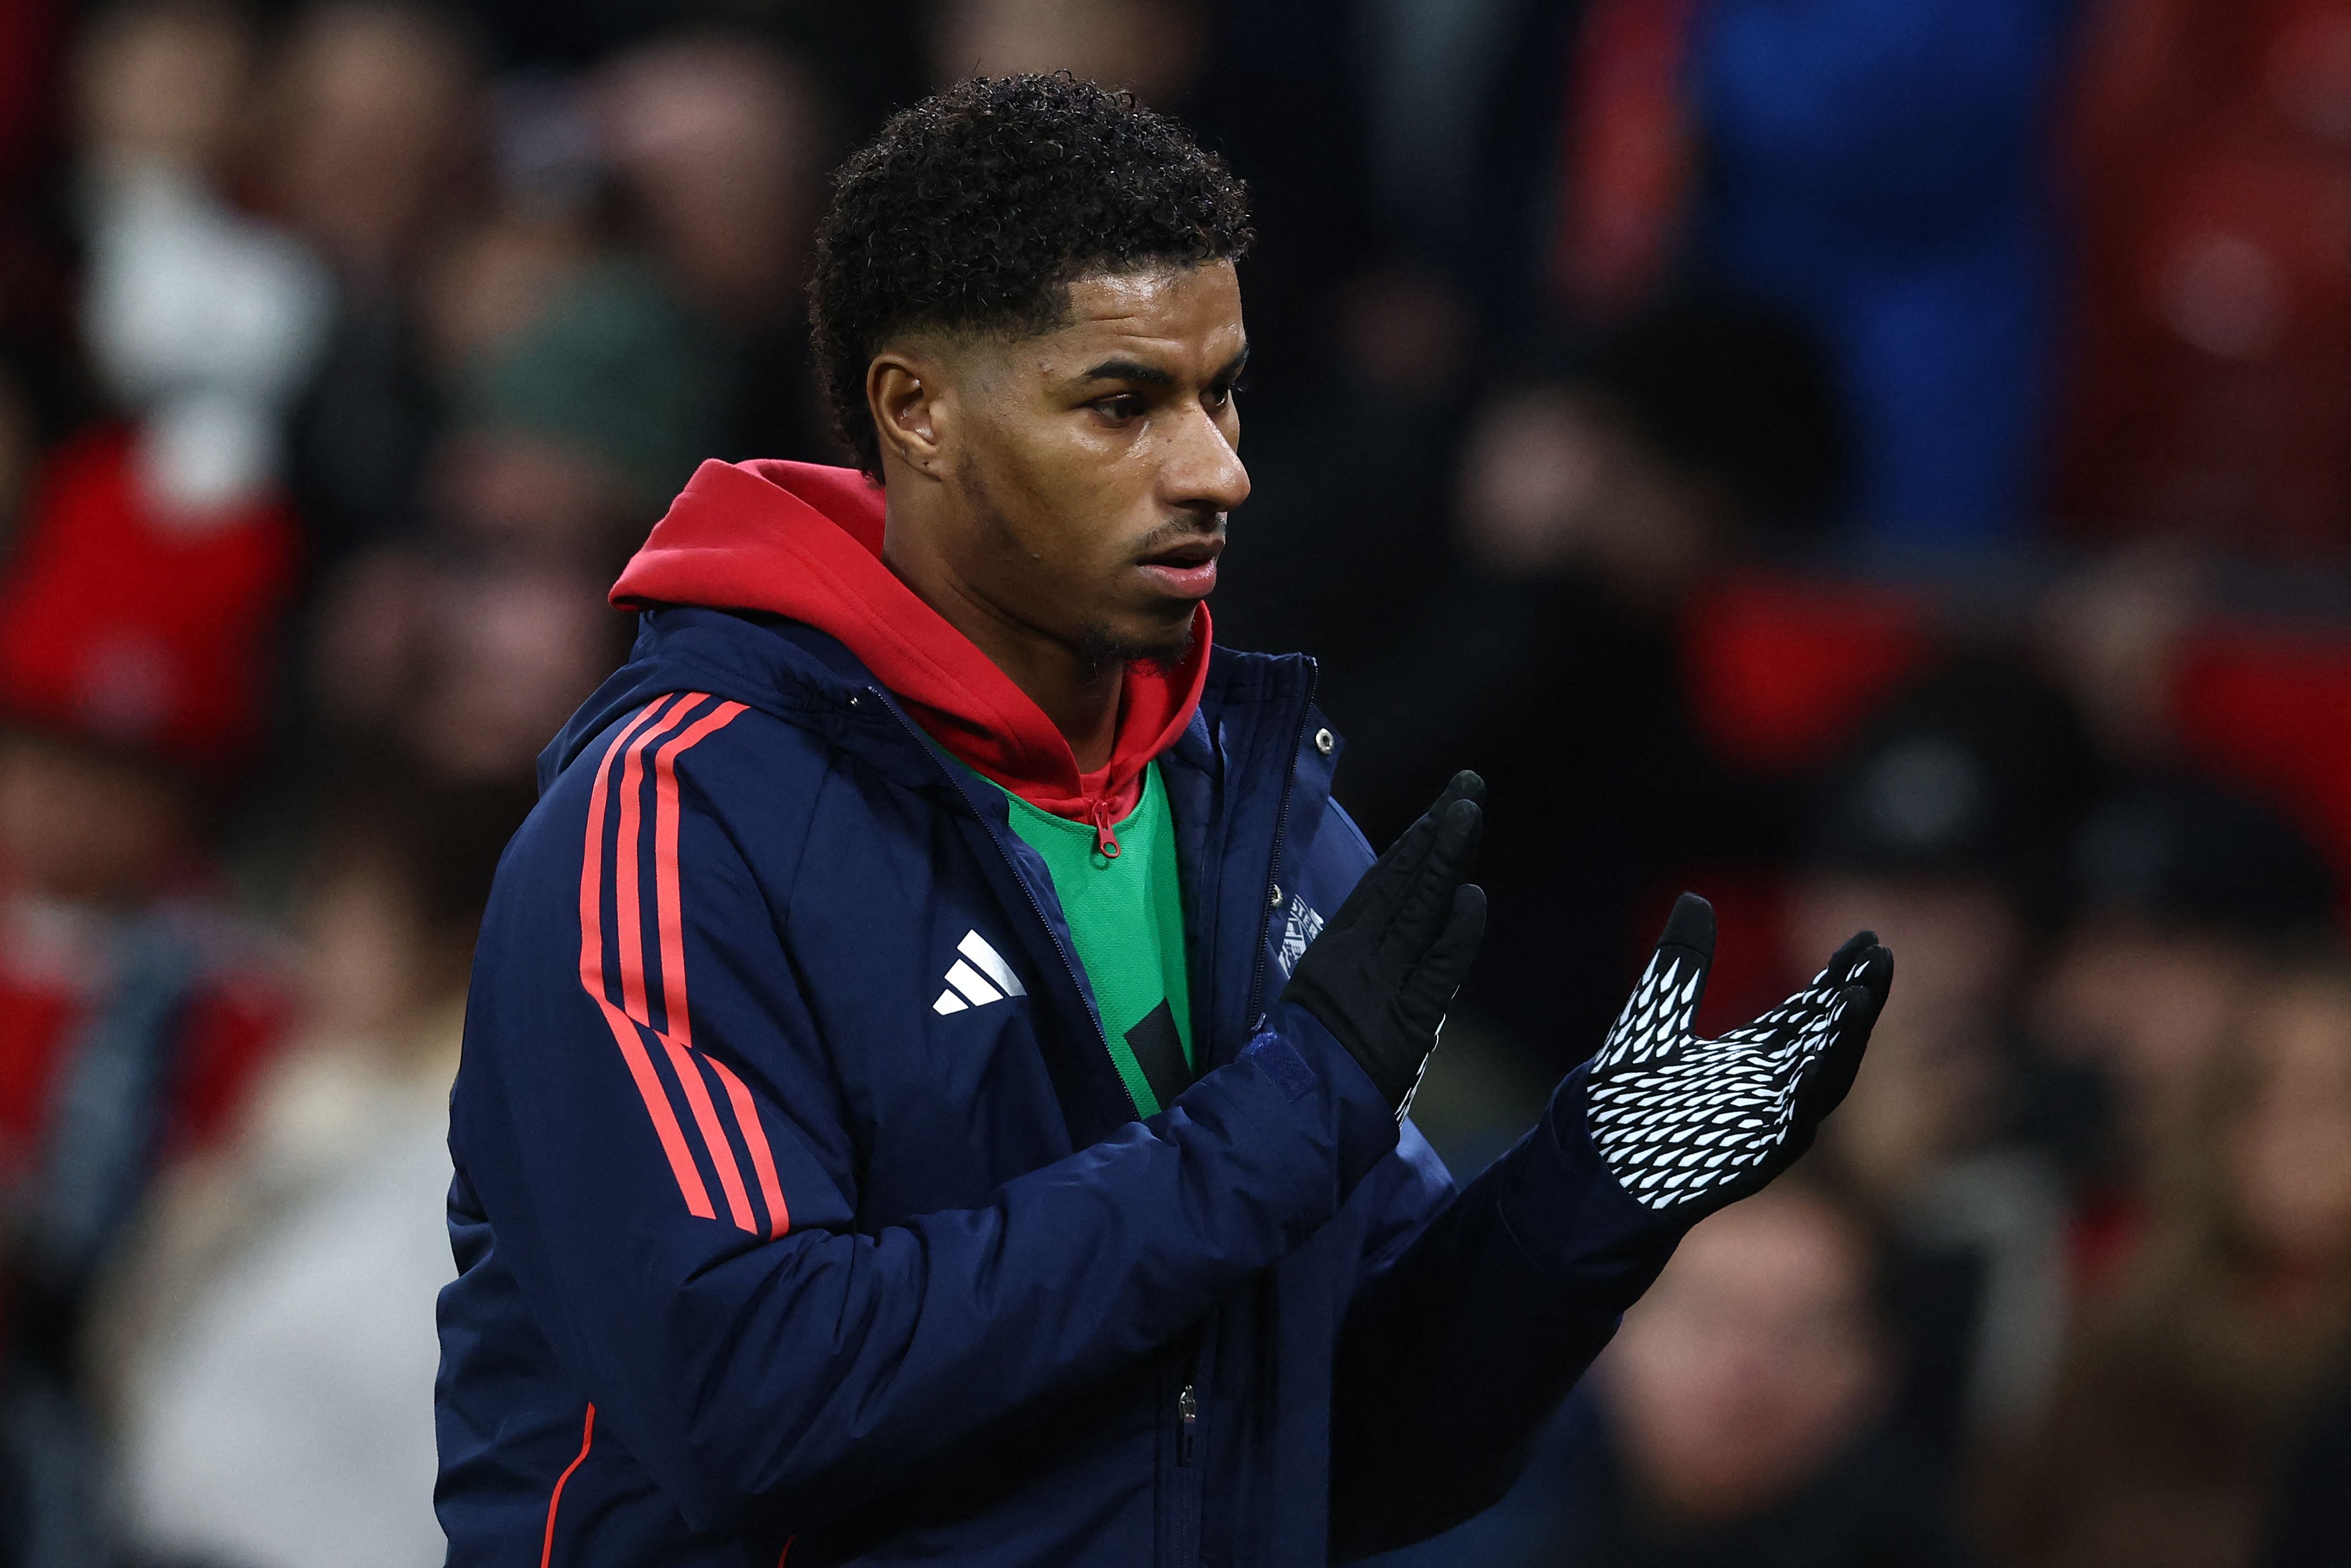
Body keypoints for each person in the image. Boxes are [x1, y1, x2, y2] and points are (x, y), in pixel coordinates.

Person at [435, 75, 1894, 1565]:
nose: (1217, 469)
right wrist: (1284, 1114)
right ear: (916, 409)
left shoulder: (1246, 818)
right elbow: (759, 1397)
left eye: (1223, 392)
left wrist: (1572, 1211)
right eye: (1123, 404)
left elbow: (1333, 1449)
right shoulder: (677, 817)